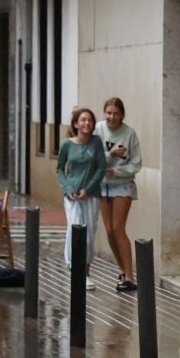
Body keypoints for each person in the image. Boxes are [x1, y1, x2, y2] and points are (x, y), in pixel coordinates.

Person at [95, 97, 142, 291]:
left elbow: (136, 164)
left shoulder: (129, 134)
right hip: (103, 185)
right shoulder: (98, 130)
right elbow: (92, 156)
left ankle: (130, 277)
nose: (111, 117)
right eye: (108, 113)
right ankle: (121, 269)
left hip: (122, 184)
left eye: (115, 113)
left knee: (118, 229)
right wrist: (109, 155)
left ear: (122, 115)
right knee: (108, 230)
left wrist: (117, 171)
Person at [57, 106, 104, 283]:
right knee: (75, 228)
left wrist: (89, 189)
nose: (87, 123)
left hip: (91, 194)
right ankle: (75, 268)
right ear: (76, 123)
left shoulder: (96, 142)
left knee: (90, 233)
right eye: (83, 120)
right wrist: (68, 189)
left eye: (90, 120)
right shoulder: (67, 145)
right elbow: (60, 169)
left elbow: (101, 168)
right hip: (72, 195)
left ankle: (86, 272)